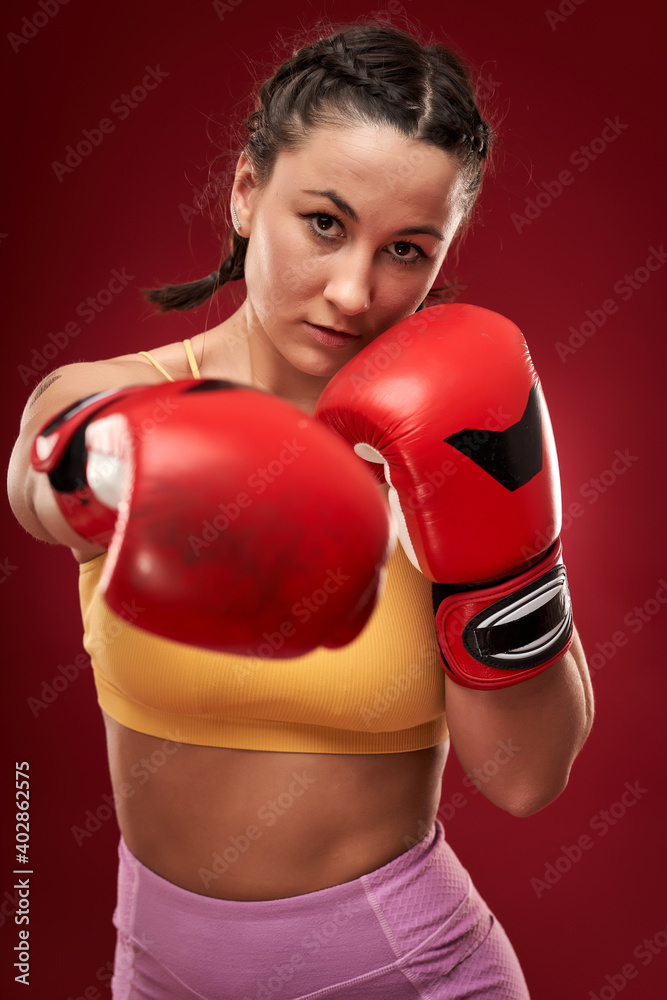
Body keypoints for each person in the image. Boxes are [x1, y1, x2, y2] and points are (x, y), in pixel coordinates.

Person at [7, 19, 594, 999]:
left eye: (406, 249)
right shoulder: (113, 391)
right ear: (247, 192)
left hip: (413, 972)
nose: (355, 289)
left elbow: (526, 779)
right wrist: (132, 467)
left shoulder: (459, 437)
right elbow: (39, 489)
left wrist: (502, 556)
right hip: (158, 971)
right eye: (324, 223)